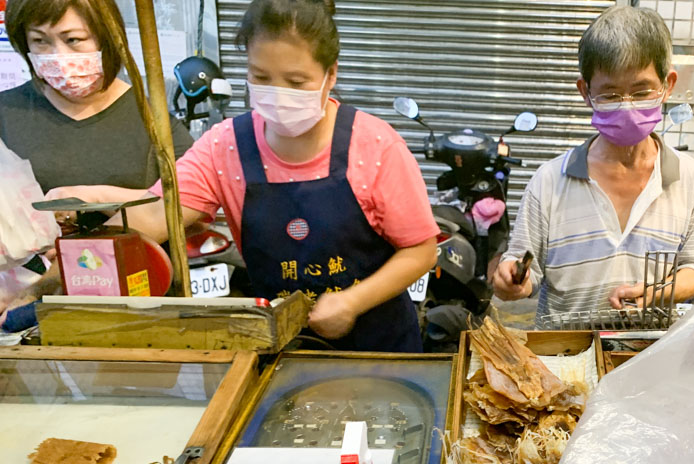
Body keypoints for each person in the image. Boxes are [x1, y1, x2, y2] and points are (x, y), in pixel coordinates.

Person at [55, 0, 438, 352]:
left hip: (382, 351)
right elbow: (157, 216)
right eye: (261, 76)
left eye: (296, 82)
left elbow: (421, 250)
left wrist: (351, 301)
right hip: (282, 349)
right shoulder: (225, 147)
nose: (278, 93)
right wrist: (89, 205)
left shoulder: (374, 145)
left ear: (330, 74)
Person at [491, 6, 694, 326]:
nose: (627, 106)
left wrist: (656, 291)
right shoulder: (549, 180)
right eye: (610, 95)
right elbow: (523, 268)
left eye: (641, 91)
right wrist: (512, 281)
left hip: (648, 355)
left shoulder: (687, 176)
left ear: (668, 85)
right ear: (586, 92)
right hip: (564, 357)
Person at [0, 0, 193, 311]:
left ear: (106, 36)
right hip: (24, 313)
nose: (58, 55)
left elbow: (191, 205)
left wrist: (95, 198)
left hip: (139, 306)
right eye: (40, 41)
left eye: (73, 39)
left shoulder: (152, 117)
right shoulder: (6, 114)